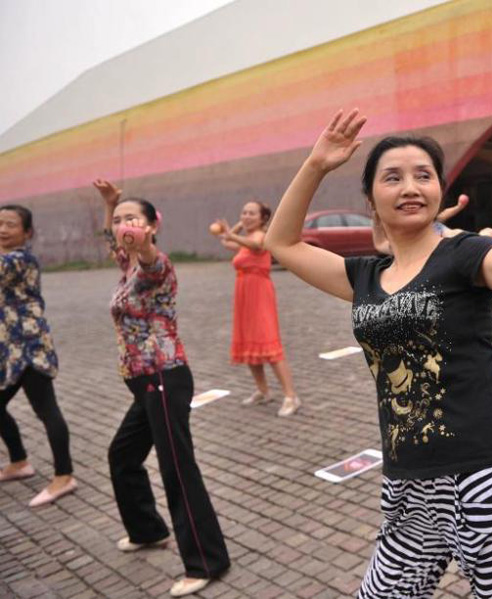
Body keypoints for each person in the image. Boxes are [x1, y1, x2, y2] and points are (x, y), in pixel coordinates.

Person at [264, 109, 492, 597]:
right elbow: (281, 242)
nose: (410, 187)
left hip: (490, 474)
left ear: (439, 190)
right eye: (393, 178)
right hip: (409, 482)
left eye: (423, 176)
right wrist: (316, 165)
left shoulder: (462, 255)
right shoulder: (364, 277)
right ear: (371, 198)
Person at [93, 179, 230, 597]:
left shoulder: (157, 265)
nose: (123, 225)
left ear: (152, 226)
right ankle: (147, 530)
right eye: (119, 221)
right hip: (144, 385)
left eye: (132, 219)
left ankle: (206, 561)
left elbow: (149, 258)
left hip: (164, 379)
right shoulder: (127, 265)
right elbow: (114, 241)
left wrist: (142, 242)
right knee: (122, 456)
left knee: (177, 469)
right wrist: (111, 205)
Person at [0, 205, 77, 507]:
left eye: (10, 224)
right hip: (7, 350)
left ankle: (64, 476)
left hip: (30, 347)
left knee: (46, 409)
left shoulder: (21, 259)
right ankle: (19, 462)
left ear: (27, 232)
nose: (3, 229)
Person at [215, 201, 300, 417]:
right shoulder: (244, 239)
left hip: (260, 294)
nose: (247, 216)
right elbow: (226, 241)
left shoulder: (262, 236)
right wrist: (236, 227)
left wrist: (233, 233)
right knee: (249, 344)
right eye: (244, 212)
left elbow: (255, 245)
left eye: (252, 213)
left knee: (270, 345)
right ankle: (263, 391)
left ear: (263, 218)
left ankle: (291, 396)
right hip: (244, 296)